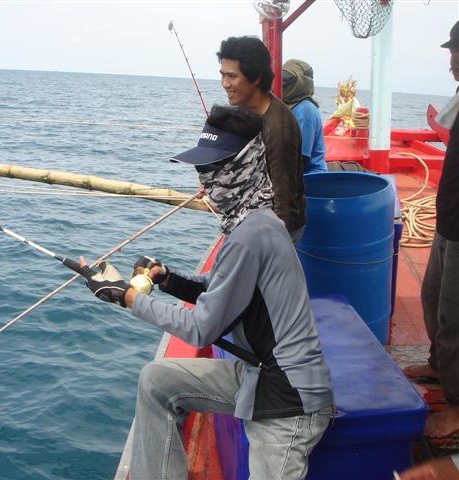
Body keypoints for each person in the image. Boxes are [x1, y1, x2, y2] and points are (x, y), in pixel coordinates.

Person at [79, 105, 333, 479]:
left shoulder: (252, 234)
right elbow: (218, 287)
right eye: (201, 170)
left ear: (244, 167)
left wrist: (128, 297)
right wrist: (167, 279)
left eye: (214, 169)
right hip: (257, 377)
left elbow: (202, 329)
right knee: (156, 381)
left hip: (287, 400)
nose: (205, 181)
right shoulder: (255, 221)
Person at [402, 20, 459, 438]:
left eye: (454, 52)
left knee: (454, 314)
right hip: (447, 220)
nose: (451, 61)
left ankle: (457, 406)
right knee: (432, 294)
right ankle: (441, 366)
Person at [216, 36, 306, 243]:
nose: (225, 84)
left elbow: (284, 207)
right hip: (249, 220)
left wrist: (265, 249)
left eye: (231, 76)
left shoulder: (277, 130)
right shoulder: (248, 111)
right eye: (222, 75)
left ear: (256, 77)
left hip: (273, 233)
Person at [282, 59, 328, 174]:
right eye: (280, 77)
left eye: (287, 78)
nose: (282, 82)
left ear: (302, 83)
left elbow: (301, 159)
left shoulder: (304, 110)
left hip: (310, 178)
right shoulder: (287, 106)